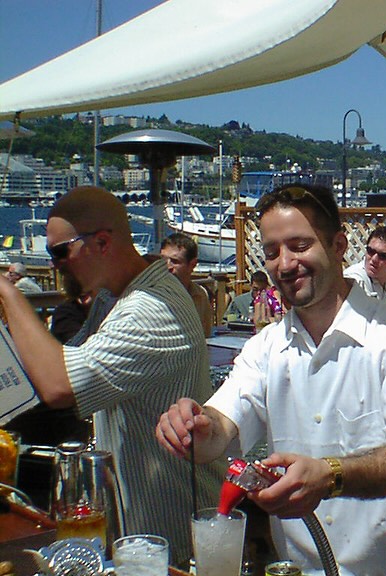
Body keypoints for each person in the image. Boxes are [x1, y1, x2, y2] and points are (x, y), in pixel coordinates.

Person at [156, 183, 386, 575]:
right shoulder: (266, 347)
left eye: (299, 245)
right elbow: (222, 425)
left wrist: (331, 475)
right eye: (273, 252)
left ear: (339, 246)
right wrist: (195, 427)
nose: (285, 263)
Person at [0, 186, 222, 565]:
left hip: (168, 539)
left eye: (60, 251)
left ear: (102, 242)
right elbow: (63, 361)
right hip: (143, 533)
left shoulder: (150, 311)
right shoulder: (117, 296)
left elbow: (58, 385)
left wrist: (7, 292)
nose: (55, 264)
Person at [160, 232, 214, 337]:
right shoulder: (151, 295)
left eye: (174, 261)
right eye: (163, 259)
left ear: (192, 264)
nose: (167, 266)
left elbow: (205, 336)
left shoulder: (200, 295)